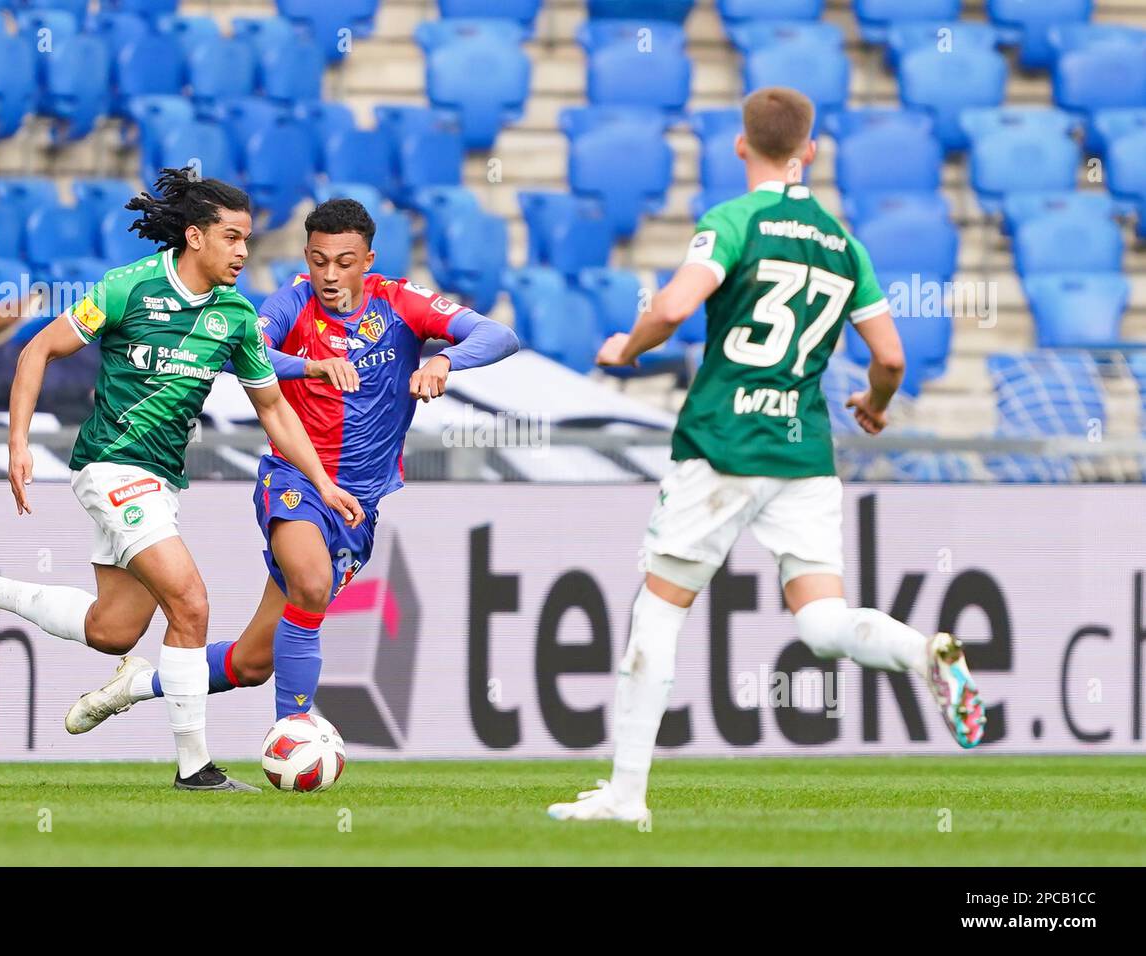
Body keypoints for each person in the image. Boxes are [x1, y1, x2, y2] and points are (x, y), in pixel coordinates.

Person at [547, 87, 987, 823]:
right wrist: (874, 407)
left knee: (658, 611)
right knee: (822, 622)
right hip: (803, 451)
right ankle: (924, 654)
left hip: (722, 443)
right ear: (810, 151)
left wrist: (628, 346)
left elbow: (676, 306)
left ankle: (626, 795)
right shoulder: (845, 244)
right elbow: (891, 357)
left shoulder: (733, 221)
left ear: (741, 146)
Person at [0, 168, 364, 793]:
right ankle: (194, 769)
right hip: (111, 467)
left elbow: (274, 411)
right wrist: (17, 442)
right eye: (232, 238)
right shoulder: (128, 288)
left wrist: (324, 483)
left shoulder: (235, 316)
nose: (242, 252)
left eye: (247, 240)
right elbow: (36, 350)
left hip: (161, 481)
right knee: (191, 604)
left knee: (113, 630)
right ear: (196, 236)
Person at [62, 198, 519, 734]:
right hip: (297, 479)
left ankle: (137, 684)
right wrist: (311, 366)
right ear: (306, 255)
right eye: (320, 260)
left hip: (359, 502)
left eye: (344, 262)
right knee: (309, 583)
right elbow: (244, 348)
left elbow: (499, 335)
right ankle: (292, 733)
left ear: (367, 259)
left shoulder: (401, 302)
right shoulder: (293, 301)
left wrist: (444, 358)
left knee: (255, 661)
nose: (330, 275)